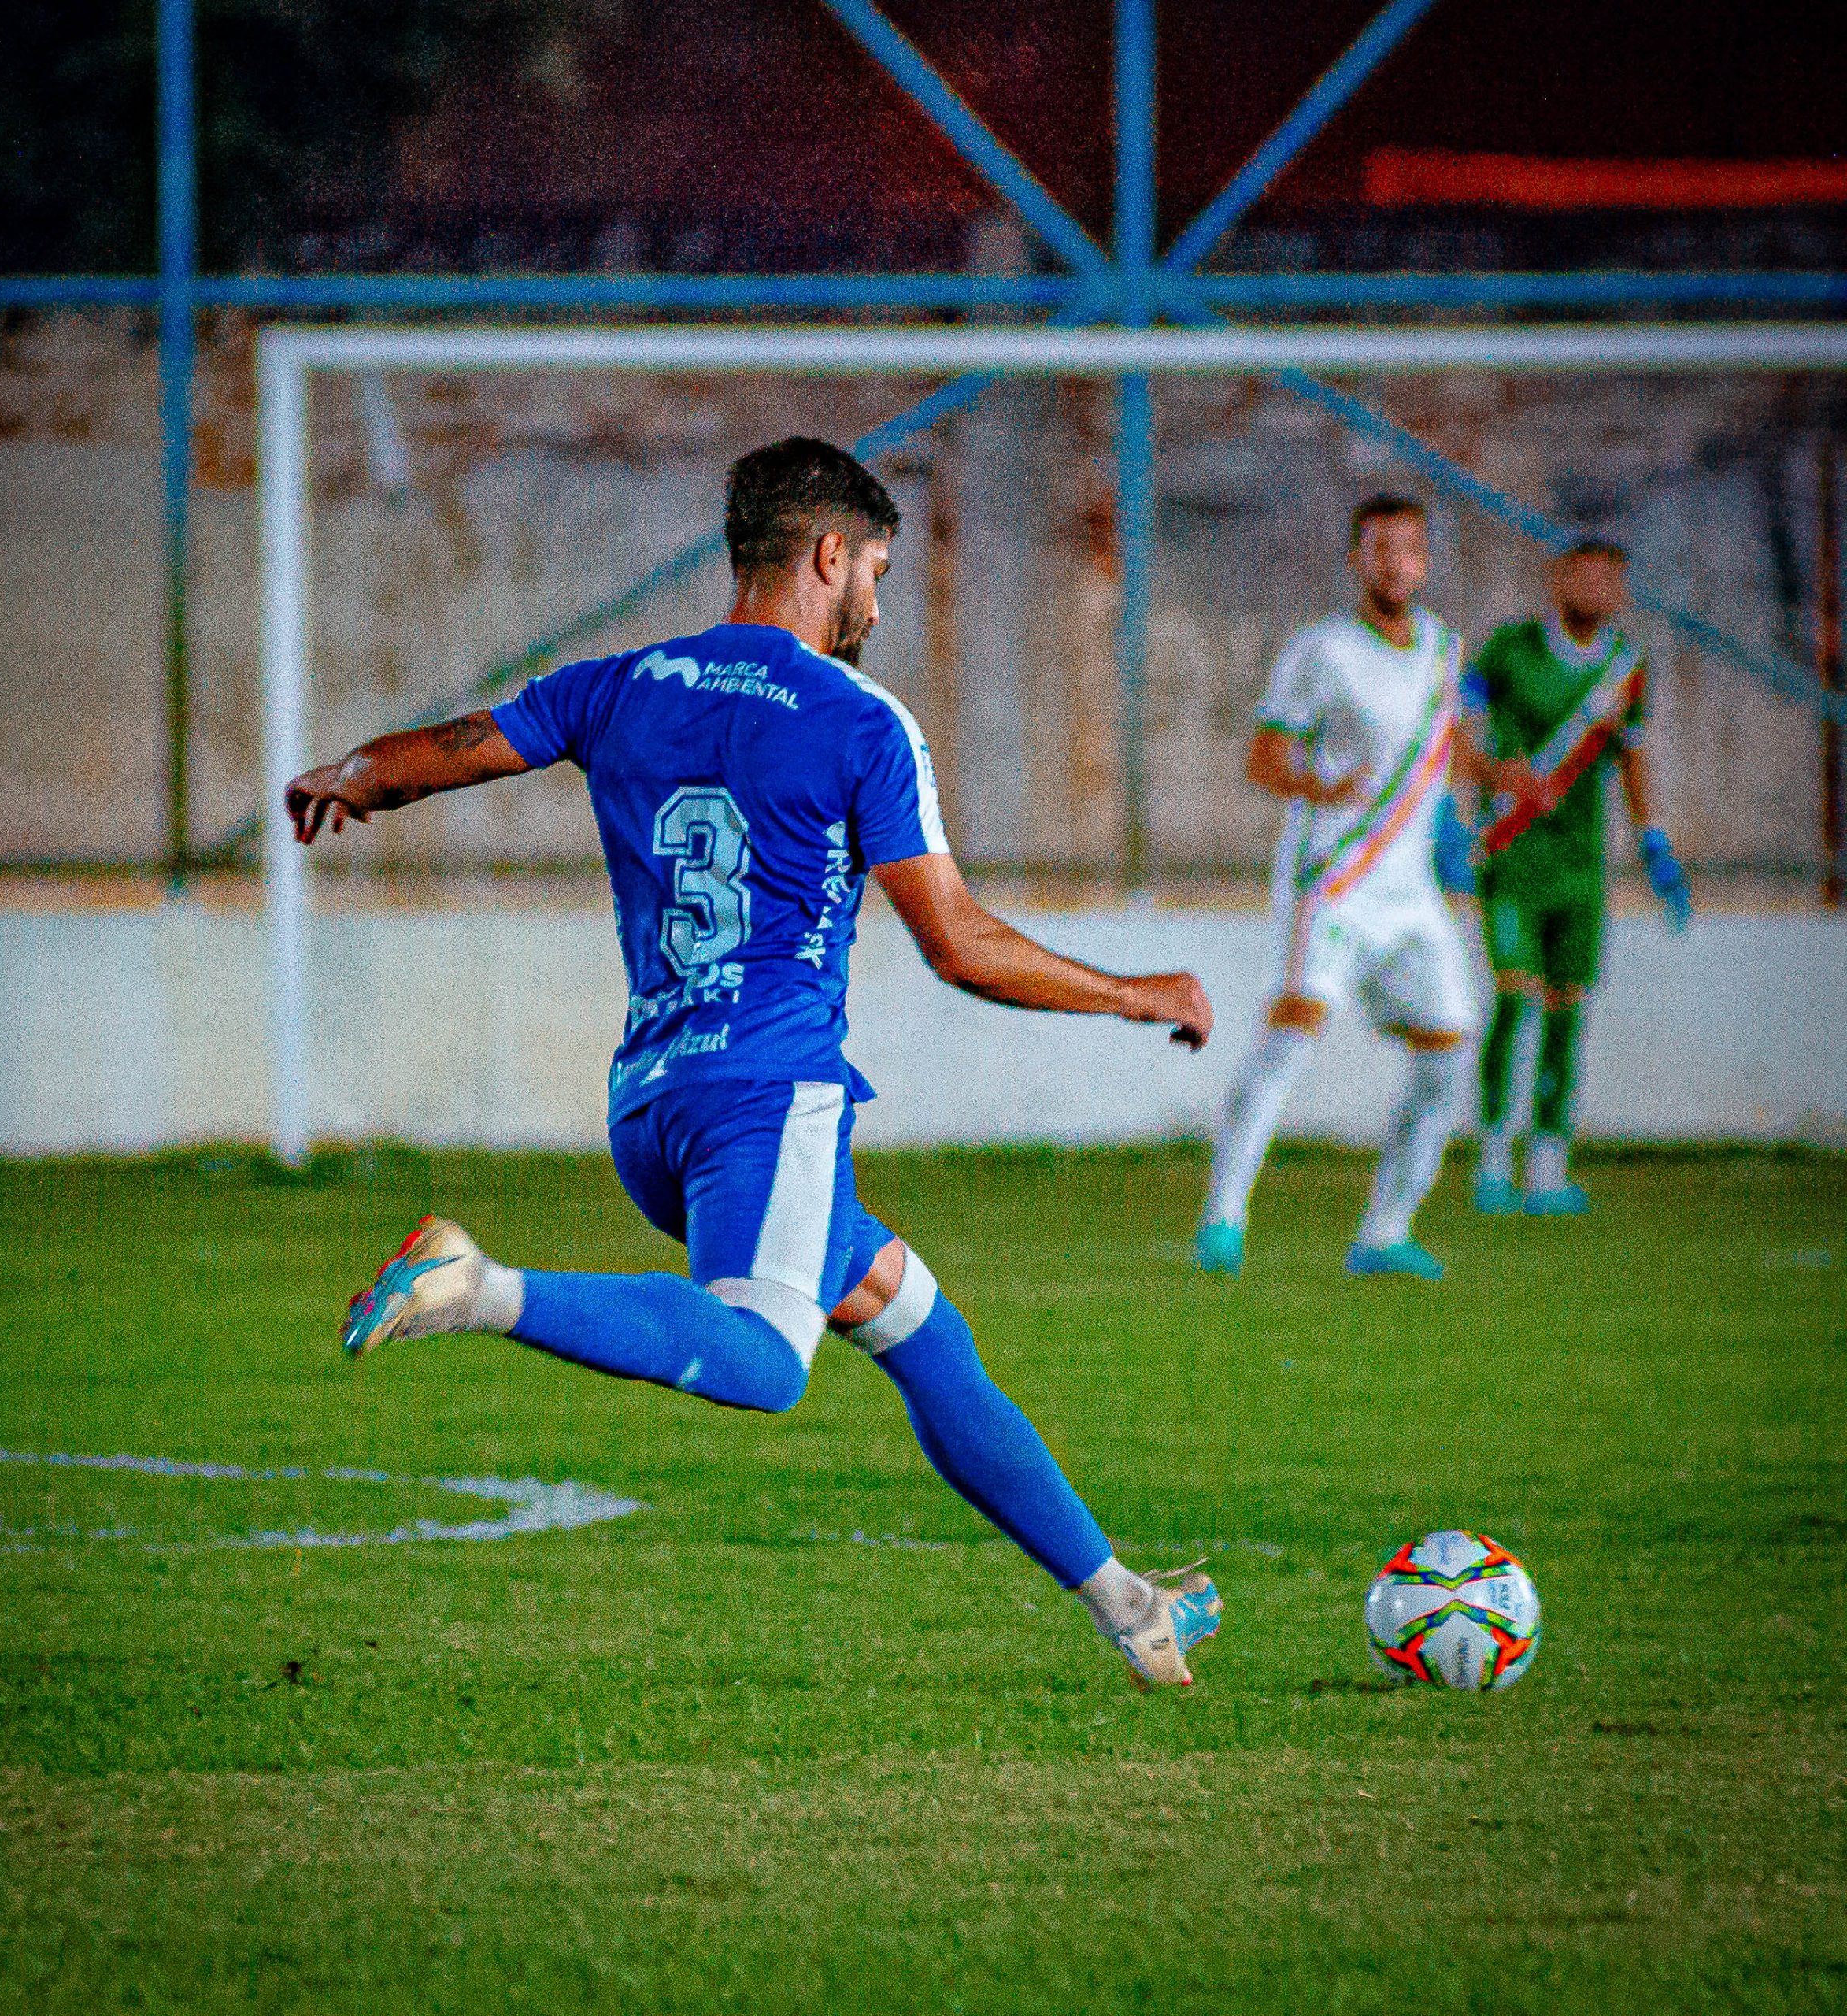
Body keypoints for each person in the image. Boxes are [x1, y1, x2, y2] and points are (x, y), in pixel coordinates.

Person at [285, 435, 1223, 1692]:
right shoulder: (858, 721)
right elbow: (957, 944)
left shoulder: (616, 684)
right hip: (768, 1097)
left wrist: (352, 774)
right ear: (828, 554)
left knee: (914, 1321)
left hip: (652, 1106)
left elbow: (446, 749)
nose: (876, 607)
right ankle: (478, 1285)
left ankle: (1127, 1606)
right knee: (766, 1362)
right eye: (876, 573)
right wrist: (1132, 993)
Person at [1194, 494, 1542, 1282]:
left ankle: (1384, 1231)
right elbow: (1263, 757)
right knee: (1291, 1040)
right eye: (1381, 548)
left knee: (1448, 1056)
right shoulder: (1321, 650)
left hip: (1411, 891)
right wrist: (1321, 786)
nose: (1396, 563)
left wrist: (1498, 775)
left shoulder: (1445, 651)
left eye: (1410, 549)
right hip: (1335, 877)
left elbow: (1442, 748)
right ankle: (1222, 1218)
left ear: (1424, 561)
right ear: (1356, 559)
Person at [1460, 539, 1690, 1215]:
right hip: (1512, 855)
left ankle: (1548, 1164)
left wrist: (1652, 840)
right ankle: (1493, 1157)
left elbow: (1631, 757)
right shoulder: (1510, 650)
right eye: (1584, 575)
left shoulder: (1627, 668)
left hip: (1581, 866)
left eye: (1609, 580)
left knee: (1567, 1011)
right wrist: (1479, 783)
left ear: (1621, 592)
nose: (1596, 589)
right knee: (1514, 997)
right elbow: (1454, 727)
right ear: (1559, 580)